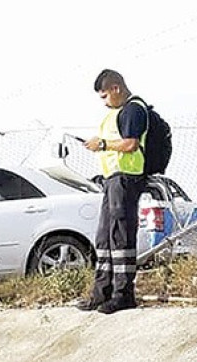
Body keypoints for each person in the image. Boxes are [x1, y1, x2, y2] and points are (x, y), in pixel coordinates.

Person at [77, 69, 148, 314]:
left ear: (116, 88)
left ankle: (123, 294)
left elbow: (131, 144)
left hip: (126, 178)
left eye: (105, 96)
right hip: (111, 180)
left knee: (121, 237)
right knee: (104, 236)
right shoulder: (115, 114)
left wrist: (103, 144)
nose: (104, 102)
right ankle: (101, 292)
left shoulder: (133, 109)